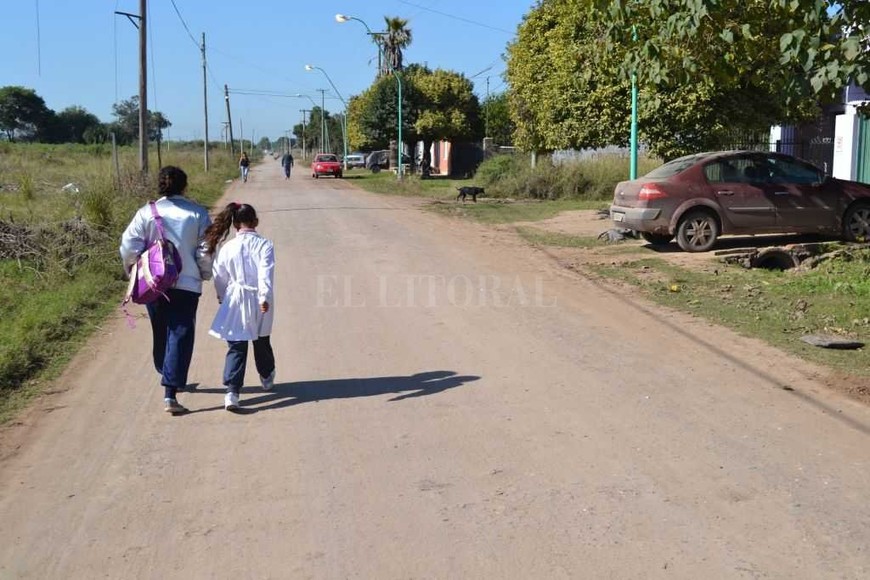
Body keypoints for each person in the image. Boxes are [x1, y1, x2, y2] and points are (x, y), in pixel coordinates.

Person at [120, 166, 212, 415]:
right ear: (185, 186)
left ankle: (166, 371)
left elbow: (128, 245)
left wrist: (134, 270)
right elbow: (206, 249)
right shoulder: (198, 213)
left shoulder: (146, 213)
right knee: (180, 333)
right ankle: (170, 391)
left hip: (154, 284)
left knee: (161, 329)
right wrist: (204, 272)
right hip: (187, 283)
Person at [204, 203, 276, 411]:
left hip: (235, 298)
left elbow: (219, 276)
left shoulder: (227, 247)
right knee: (261, 340)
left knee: (236, 344)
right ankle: (266, 375)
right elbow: (265, 273)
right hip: (258, 298)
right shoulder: (265, 245)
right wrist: (264, 297)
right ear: (255, 221)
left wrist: (222, 296)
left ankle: (232, 392)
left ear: (235, 224)